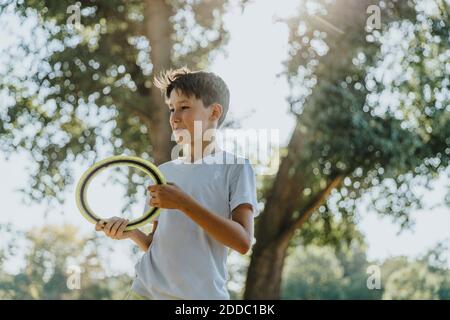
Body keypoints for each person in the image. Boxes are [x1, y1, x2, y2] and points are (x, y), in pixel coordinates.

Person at [95, 67, 259, 299]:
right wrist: (130, 233)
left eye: (184, 107)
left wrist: (184, 203)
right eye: (171, 109)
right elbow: (155, 243)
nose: (174, 117)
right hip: (144, 292)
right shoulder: (163, 172)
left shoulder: (235, 168)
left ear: (214, 112)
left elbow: (243, 242)